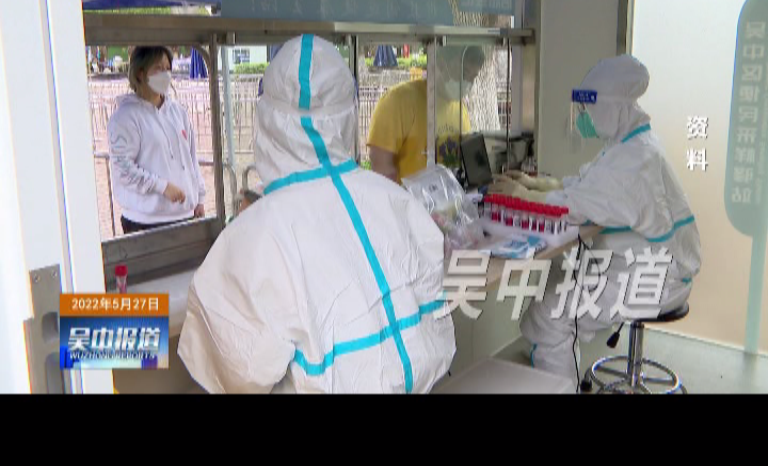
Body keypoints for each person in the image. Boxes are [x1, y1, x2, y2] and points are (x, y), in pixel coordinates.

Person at [178, 34, 456, 393]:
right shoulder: (397, 202)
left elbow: (235, 371)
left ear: (267, 122)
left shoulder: (256, 235)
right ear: (348, 118)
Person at [492, 55, 701, 387]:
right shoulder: (631, 144)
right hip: (649, 262)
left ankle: (561, 384)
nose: (583, 117)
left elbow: (572, 206)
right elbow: (584, 186)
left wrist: (520, 194)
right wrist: (534, 185)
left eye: (588, 109)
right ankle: (561, 371)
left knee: (551, 316)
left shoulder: (633, 160)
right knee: (558, 278)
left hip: (656, 277)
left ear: (611, 109)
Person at [107, 46, 206, 234]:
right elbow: (123, 169)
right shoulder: (125, 117)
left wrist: (199, 197)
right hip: (145, 220)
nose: (165, 74)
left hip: (185, 214)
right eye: (158, 68)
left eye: (168, 68)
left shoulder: (178, 113)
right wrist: (161, 186)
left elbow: (191, 158)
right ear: (140, 73)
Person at [367, 46, 485, 183]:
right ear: (441, 63)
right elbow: (382, 169)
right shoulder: (397, 101)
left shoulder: (460, 110)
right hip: (406, 195)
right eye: (464, 73)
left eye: (473, 78)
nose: (467, 83)